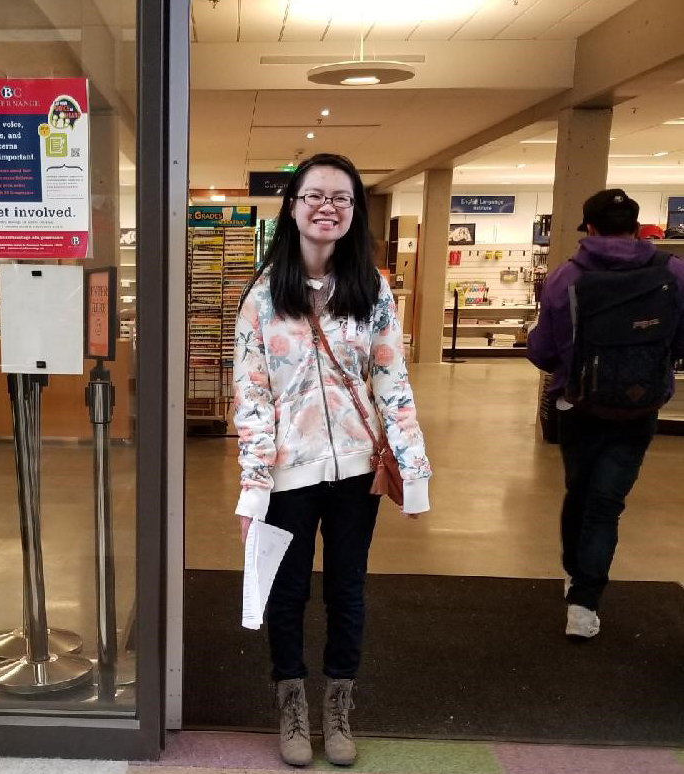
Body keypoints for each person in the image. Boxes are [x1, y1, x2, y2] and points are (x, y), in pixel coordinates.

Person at [233, 153, 431, 766]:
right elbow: (253, 397)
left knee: (347, 590)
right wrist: (255, 485)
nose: (328, 207)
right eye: (315, 196)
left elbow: (393, 384)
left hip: (355, 473)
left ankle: (339, 705)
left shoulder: (372, 292)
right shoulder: (263, 298)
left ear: (355, 212)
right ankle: (291, 705)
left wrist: (414, 471)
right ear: (292, 207)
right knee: (286, 593)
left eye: (342, 198)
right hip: (289, 476)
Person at [527, 189, 684, 640]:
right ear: (638, 227)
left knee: (579, 491)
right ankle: (584, 602)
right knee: (606, 504)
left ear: (589, 228)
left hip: (580, 406)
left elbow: (541, 350)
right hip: (640, 407)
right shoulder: (672, 271)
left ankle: (576, 578)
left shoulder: (566, 278)